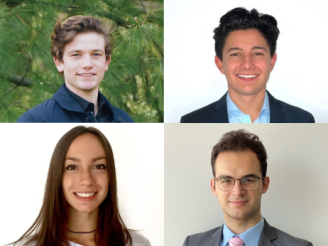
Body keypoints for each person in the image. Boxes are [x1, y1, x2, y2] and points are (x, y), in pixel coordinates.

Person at [9, 126, 149, 246]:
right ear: (57, 175)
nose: (86, 180)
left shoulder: (136, 243)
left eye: (99, 166)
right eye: (72, 167)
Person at [180, 8, 314, 123]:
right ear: (220, 64)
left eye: (257, 53)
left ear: (272, 61)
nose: (247, 64)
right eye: (236, 54)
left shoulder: (302, 119)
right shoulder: (192, 121)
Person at [183, 130, 313, 246]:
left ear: (265, 184)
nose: (238, 191)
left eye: (248, 180)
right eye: (227, 180)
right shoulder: (192, 243)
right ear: (214, 187)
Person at [17, 16, 134, 123]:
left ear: (107, 61)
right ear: (59, 62)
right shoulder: (34, 122)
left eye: (96, 54)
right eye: (76, 55)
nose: (87, 64)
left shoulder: (125, 122)